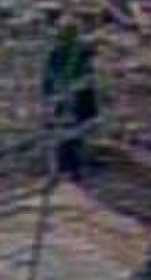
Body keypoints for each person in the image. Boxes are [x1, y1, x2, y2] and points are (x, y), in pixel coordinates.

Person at [41, 15, 99, 180]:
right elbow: (48, 76)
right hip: (62, 97)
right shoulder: (56, 52)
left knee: (74, 133)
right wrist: (50, 96)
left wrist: (73, 90)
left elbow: (88, 76)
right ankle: (63, 167)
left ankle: (74, 168)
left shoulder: (81, 52)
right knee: (61, 132)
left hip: (77, 98)